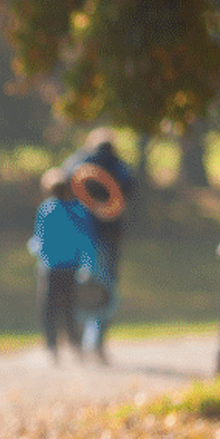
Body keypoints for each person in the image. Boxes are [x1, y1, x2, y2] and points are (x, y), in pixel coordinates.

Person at [62, 127, 137, 360]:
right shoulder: (119, 166)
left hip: (79, 235)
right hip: (109, 236)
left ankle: (76, 341)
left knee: (78, 287)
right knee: (107, 289)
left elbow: (63, 181)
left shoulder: (78, 162)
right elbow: (131, 187)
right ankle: (98, 342)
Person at [29, 167, 100, 364]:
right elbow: (87, 241)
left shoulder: (46, 209)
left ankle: (52, 349)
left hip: (50, 268)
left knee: (49, 310)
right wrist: (89, 267)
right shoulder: (79, 210)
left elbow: (39, 241)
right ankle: (75, 346)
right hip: (72, 268)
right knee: (71, 309)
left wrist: (34, 250)